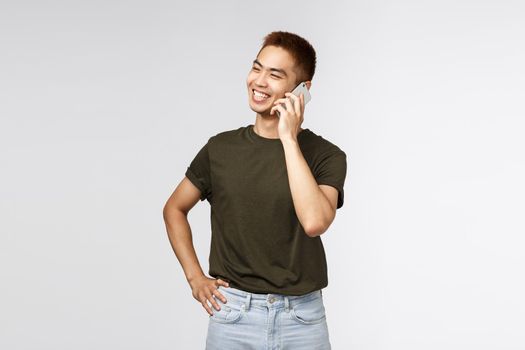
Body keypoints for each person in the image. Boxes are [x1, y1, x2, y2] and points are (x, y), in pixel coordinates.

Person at [163, 30, 347, 349]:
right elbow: (174, 209)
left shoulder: (327, 155)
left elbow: (315, 221)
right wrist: (195, 278)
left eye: (275, 74)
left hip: (301, 319)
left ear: (302, 89)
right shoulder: (220, 149)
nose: (259, 81)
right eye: (257, 67)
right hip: (233, 316)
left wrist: (289, 139)